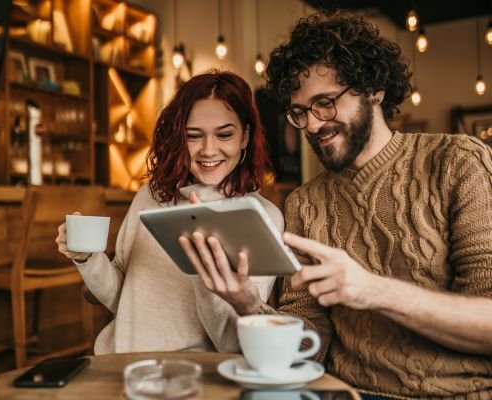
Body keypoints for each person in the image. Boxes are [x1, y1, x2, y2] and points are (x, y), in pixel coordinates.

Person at [179, 12, 492, 399]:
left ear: (374, 88)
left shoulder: (457, 162)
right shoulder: (306, 204)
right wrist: (247, 303)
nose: (312, 125)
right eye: (300, 112)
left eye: (325, 103)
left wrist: (373, 291)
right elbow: (306, 347)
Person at [55, 70, 283, 354]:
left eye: (225, 135)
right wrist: (87, 257)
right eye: (194, 136)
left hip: (192, 376)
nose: (208, 150)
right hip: (119, 361)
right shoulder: (151, 196)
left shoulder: (261, 216)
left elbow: (232, 343)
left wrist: (202, 273)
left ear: (245, 137)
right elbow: (122, 301)